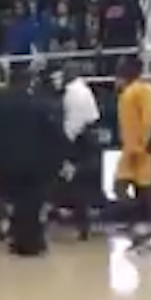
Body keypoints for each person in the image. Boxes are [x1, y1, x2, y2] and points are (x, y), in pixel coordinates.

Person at [0, 66, 64, 256]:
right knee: (31, 201)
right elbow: (55, 134)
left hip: (5, 162)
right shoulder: (41, 103)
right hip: (35, 160)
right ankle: (32, 240)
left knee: (15, 200)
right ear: (29, 82)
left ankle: (20, 239)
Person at [110, 58, 151, 251]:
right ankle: (139, 228)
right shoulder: (127, 93)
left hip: (147, 150)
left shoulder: (144, 90)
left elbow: (148, 121)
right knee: (121, 187)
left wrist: (142, 145)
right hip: (131, 149)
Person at [51, 64, 101, 239]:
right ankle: (78, 220)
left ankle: (80, 223)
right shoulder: (82, 89)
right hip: (86, 139)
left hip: (80, 141)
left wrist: (64, 147)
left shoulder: (74, 93)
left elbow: (73, 124)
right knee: (75, 183)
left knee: (73, 181)